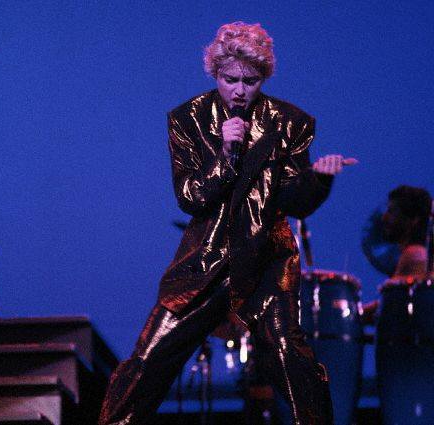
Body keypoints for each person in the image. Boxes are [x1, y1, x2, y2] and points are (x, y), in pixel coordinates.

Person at [99, 22, 357, 425]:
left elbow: (295, 201)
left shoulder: (290, 122)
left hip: (266, 259)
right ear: (215, 73)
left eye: (249, 81)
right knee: (149, 359)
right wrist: (225, 153)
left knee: (291, 358)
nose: (239, 90)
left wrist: (318, 179)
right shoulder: (188, 118)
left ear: (263, 78)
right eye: (229, 79)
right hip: (206, 260)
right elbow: (190, 196)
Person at [362, 185, 432, 321]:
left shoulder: (414, 255)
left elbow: (392, 306)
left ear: (413, 219)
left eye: (392, 212)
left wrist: (351, 315)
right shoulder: (418, 254)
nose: (384, 218)